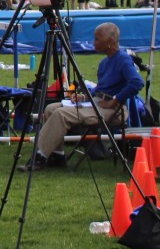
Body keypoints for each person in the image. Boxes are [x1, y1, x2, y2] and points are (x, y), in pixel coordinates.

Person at [29, 22, 143, 168]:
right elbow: (100, 88)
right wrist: (83, 97)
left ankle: (40, 156)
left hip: (113, 110)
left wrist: (115, 100)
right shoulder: (104, 62)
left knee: (61, 114)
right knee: (50, 108)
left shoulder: (123, 59)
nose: (93, 43)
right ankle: (58, 155)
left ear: (110, 41)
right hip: (96, 102)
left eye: (97, 39)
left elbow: (137, 82)